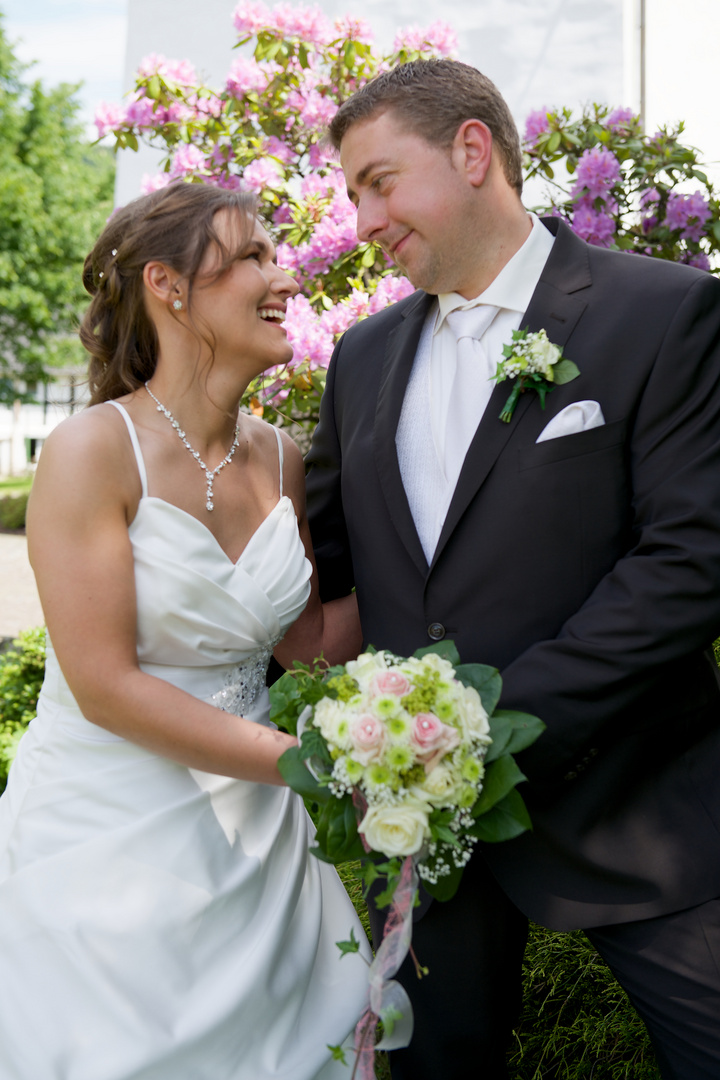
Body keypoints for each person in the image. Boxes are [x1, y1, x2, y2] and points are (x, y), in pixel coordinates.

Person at [305, 58, 720, 1080]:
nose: (362, 221)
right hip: (429, 847)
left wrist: (493, 729)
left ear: (473, 151)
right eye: (352, 195)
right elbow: (331, 570)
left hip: (633, 806)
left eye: (378, 181)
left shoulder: (664, 314)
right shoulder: (359, 358)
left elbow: (693, 558)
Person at [0, 182, 371, 1079]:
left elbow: (307, 644)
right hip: (105, 837)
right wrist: (305, 763)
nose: (282, 277)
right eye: (250, 257)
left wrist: (466, 573)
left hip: (259, 847)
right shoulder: (95, 449)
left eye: (276, 255)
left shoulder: (283, 455)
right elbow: (106, 686)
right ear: (167, 286)